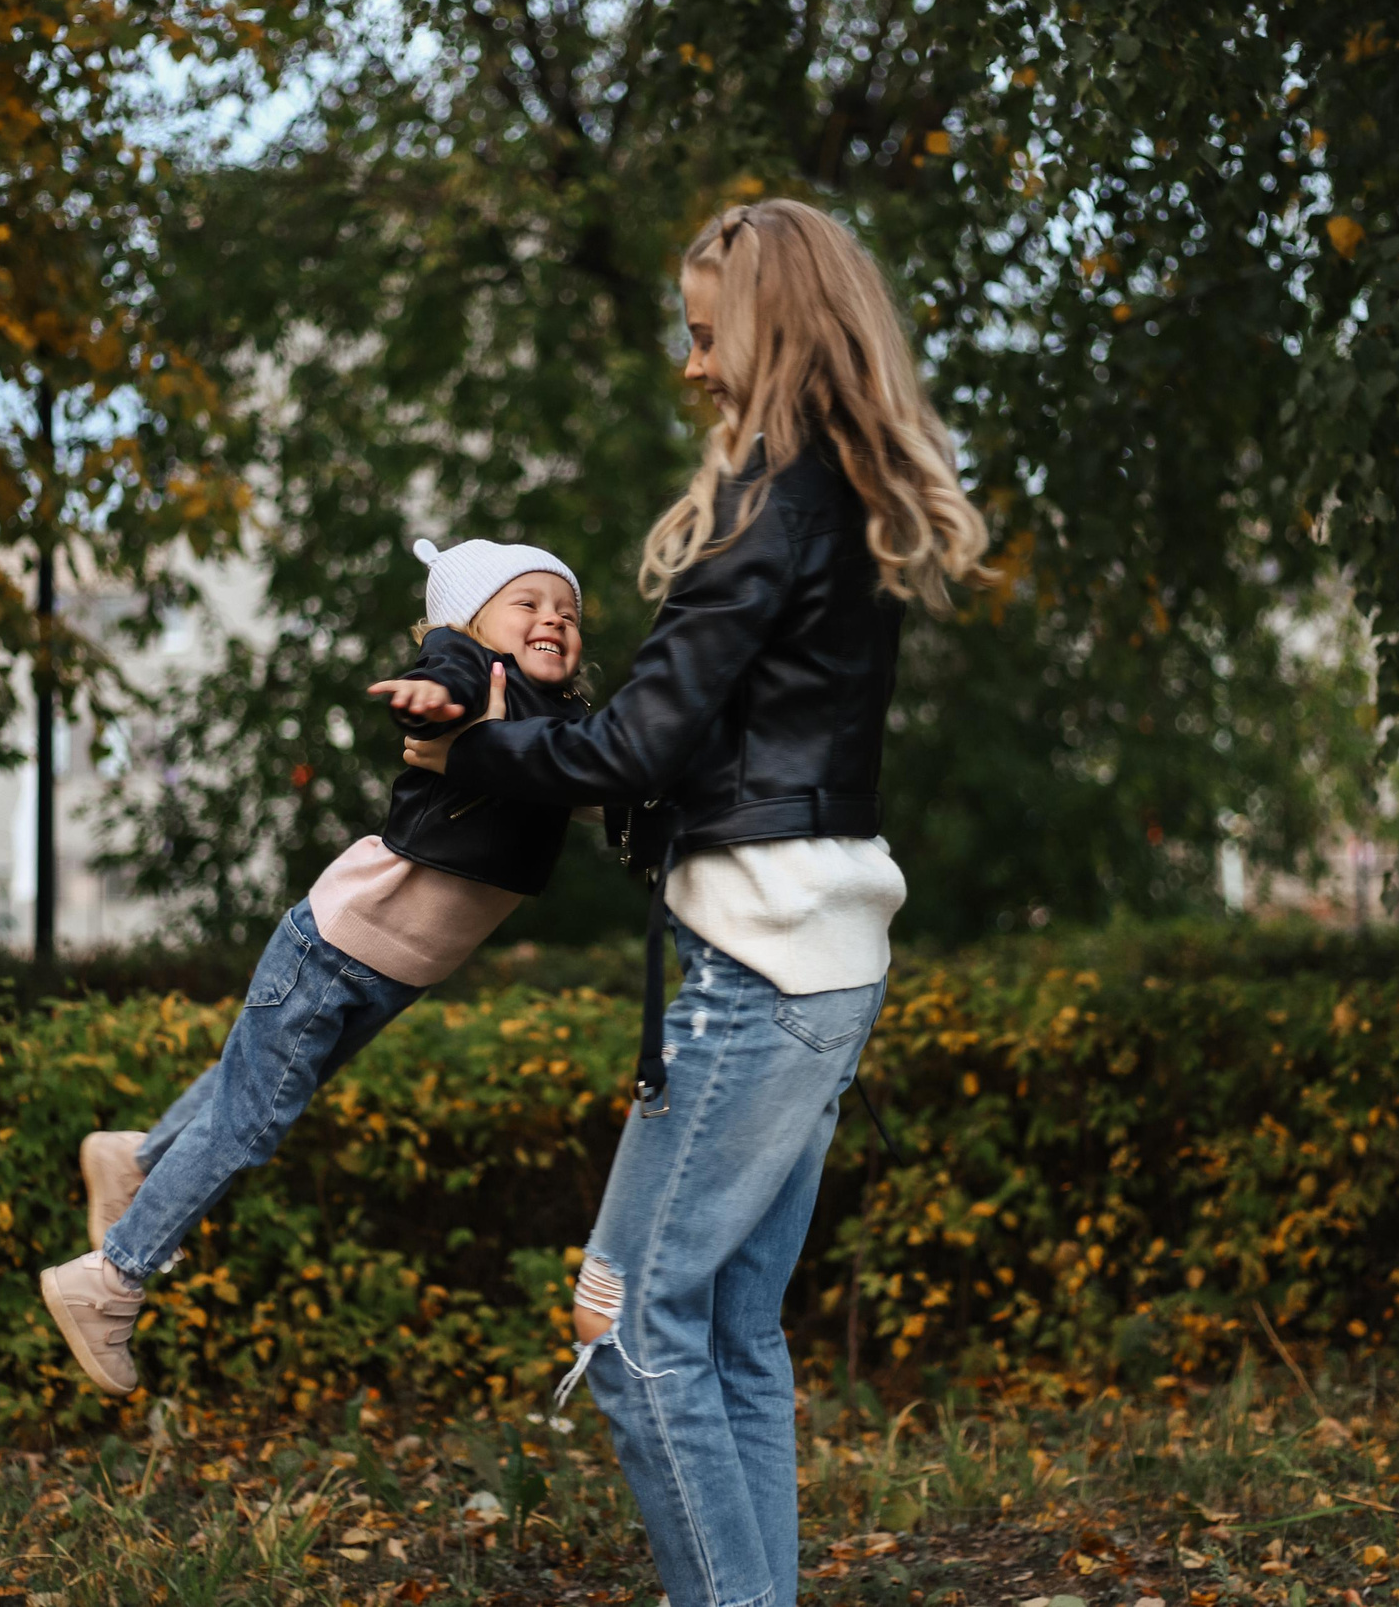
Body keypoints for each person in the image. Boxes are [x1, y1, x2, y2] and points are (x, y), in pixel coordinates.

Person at [405, 199, 987, 1607]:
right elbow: (697, 741)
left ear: (769, 331)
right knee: (730, 1327)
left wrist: (470, 740)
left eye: (709, 332)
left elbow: (633, 752)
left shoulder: (769, 506)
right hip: (827, 958)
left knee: (631, 1319)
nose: (692, 363)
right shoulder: (847, 498)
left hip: (755, 966)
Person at [38, 539, 588, 1398]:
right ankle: (109, 1279)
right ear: (472, 622)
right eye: (528, 603)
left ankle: (135, 1160)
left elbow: (605, 765)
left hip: (389, 970)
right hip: (339, 947)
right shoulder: (476, 674)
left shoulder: (561, 724)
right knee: (253, 1120)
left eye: (568, 610)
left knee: (247, 1091)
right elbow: (442, 671)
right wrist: (434, 692)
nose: (554, 618)